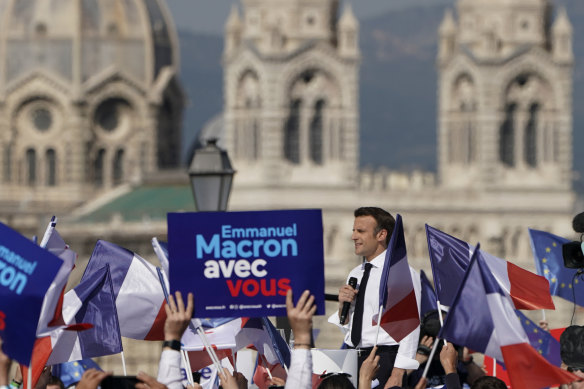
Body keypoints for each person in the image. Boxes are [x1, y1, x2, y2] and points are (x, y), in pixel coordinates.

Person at [329, 207, 421, 388]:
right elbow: (350, 328)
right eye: (353, 231)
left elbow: (410, 326)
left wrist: (397, 372)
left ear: (381, 235)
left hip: (384, 358)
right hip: (353, 356)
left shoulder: (401, 273)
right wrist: (343, 308)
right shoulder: (356, 273)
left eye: (361, 231)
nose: (353, 237)